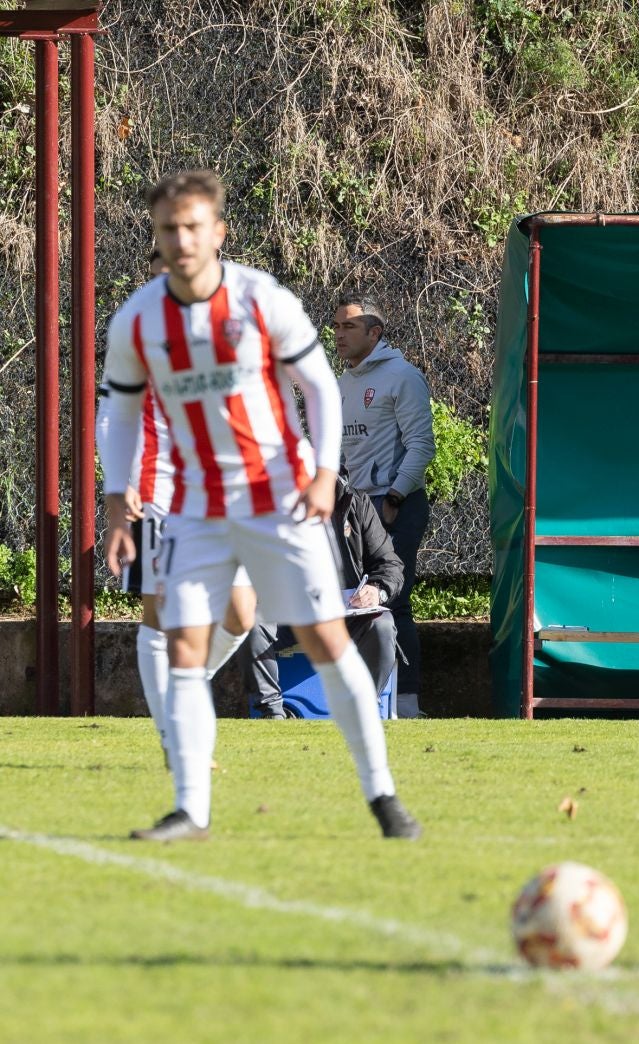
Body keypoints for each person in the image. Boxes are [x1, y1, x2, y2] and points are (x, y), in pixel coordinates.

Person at [101, 169, 420, 842]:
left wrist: (325, 471)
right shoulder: (138, 321)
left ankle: (384, 797)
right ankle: (191, 808)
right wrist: (115, 501)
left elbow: (319, 388)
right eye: (168, 229)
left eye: (193, 227)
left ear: (217, 232)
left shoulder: (260, 299)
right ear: (157, 238)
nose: (181, 240)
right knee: (183, 647)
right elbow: (122, 414)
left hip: (277, 499)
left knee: (327, 641)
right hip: (193, 508)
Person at [96, 248, 262, 754]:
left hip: (223, 492)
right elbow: (111, 416)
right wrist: (120, 487)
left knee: (241, 614)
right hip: (159, 492)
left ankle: (183, 691)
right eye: (156, 276)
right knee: (160, 613)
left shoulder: (235, 323)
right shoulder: (137, 333)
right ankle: (175, 731)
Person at [333, 296, 434, 718]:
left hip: (395, 504)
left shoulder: (402, 377)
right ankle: (355, 699)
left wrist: (394, 497)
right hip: (354, 508)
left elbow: (421, 445)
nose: (339, 334)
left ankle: (404, 703)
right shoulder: (342, 382)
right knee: (352, 600)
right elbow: (342, 448)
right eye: (336, 327)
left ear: (375, 332)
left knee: (393, 599)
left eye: (349, 327)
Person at [246, 474, 404, 719]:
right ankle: (271, 713)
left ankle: (363, 710)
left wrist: (376, 590)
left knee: (382, 626)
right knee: (253, 622)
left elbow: (389, 564)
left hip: (349, 612)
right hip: (292, 612)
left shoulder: (357, 504)